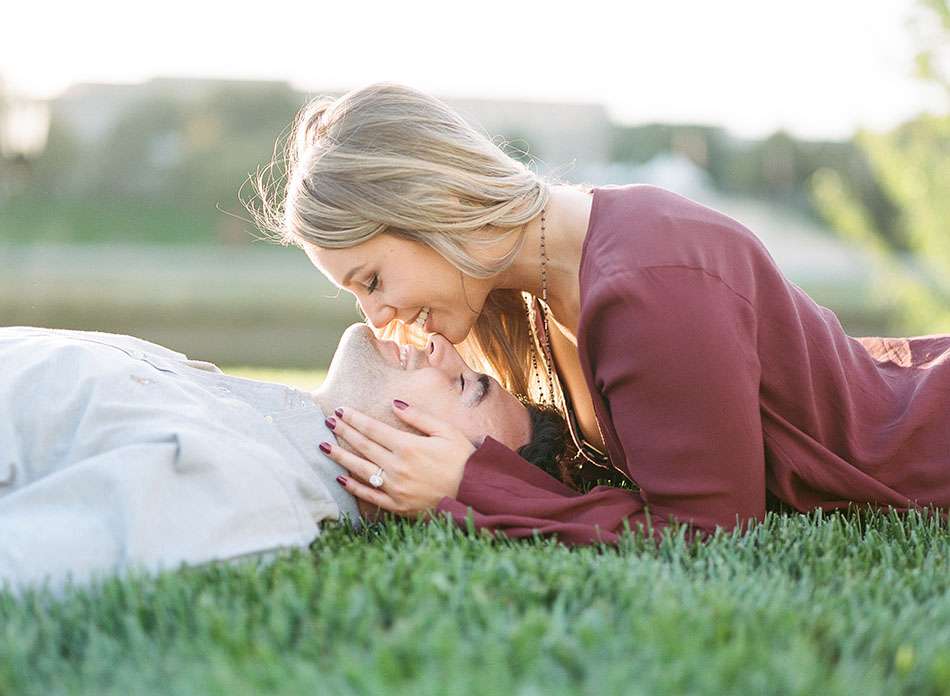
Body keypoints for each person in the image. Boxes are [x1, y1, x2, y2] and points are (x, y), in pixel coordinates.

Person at [248, 81, 950, 546]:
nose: (376, 317)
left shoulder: (649, 282)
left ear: (435, 207)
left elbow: (707, 533)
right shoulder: (515, 296)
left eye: (372, 278)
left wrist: (471, 489)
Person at [0, 322, 563, 591]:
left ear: (427, 469)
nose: (443, 347)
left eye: (463, 386)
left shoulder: (244, 495)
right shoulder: (216, 391)